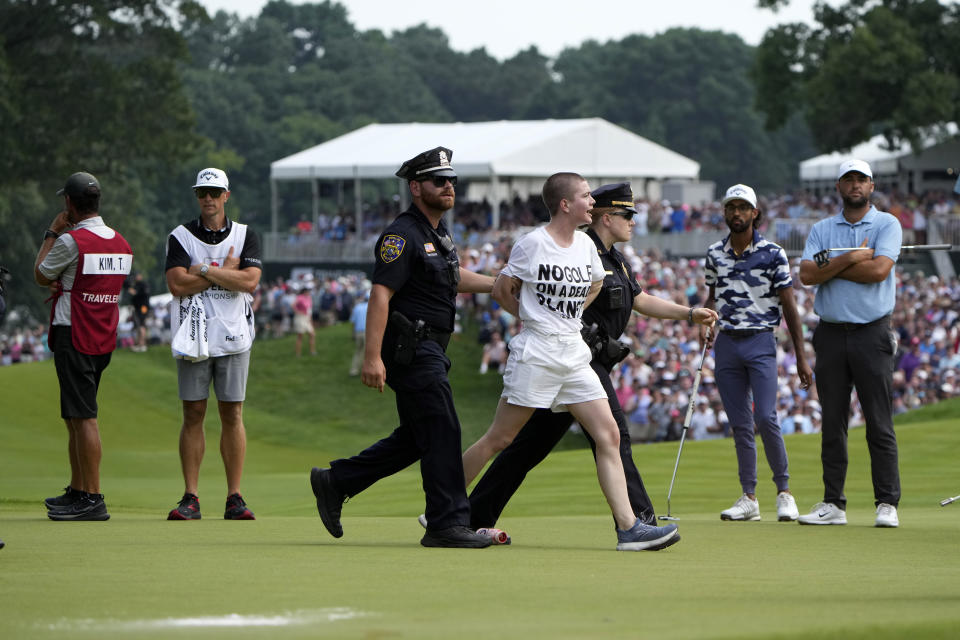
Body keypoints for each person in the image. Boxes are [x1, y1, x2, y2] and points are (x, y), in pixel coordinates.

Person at [466, 182, 716, 544]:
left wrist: (689, 313)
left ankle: (631, 526)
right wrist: (538, 318)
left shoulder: (604, 255)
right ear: (605, 216)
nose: (633, 221)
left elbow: (634, 298)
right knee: (513, 440)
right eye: (627, 215)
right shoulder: (545, 244)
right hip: (555, 354)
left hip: (577, 359)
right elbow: (507, 289)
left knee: (579, 440)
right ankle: (448, 509)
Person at [309, 147, 497, 548]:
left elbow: (453, 277)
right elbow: (380, 295)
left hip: (430, 348)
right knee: (444, 427)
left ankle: (336, 481)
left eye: (451, 180)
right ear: (416, 187)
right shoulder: (402, 234)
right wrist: (372, 356)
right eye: (438, 180)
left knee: (417, 436)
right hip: (410, 347)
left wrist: (496, 283)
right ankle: (446, 524)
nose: (448, 187)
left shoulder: (437, 233)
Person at [797, 159, 902, 528]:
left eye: (862, 179)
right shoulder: (823, 228)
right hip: (830, 332)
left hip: (871, 332)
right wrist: (852, 255)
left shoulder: (887, 223)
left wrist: (833, 265)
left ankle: (887, 502)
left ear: (871, 186)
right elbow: (807, 275)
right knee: (832, 421)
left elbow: (878, 272)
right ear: (839, 187)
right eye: (848, 180)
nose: (855, 185)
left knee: (879, 421)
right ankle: (833, 503)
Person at [704, 183, 812, 523]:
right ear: (725, 213)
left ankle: (784, 491)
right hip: (727, 343)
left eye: (743, 207)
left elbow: (790, 308)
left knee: (766, 417)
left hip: (761, 342)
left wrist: (801, 356)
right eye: (731, 207)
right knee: (740, 425)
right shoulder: (714, 254)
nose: (736, 213)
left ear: (755, 213)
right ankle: (749, 498)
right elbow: (712, 295)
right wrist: (704, 321)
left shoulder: (774, 253)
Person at [165, 168, 262, 521]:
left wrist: (202, 271)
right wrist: (225, 272)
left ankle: (234, 496)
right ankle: (191, 496)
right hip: (193, 335)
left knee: (232, 413)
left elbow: (249, 281)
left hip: (234, 335)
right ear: (197, 195)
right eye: (202, 191)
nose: (208, 197)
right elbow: (177, 285)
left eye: (214, 191)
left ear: (226, 195)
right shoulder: (180, 236)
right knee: (193, 413)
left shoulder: (245, 235)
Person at [35, 172, 133, 521]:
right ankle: (79, 489)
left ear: (69, 204)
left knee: (84, 417)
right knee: (75, 417)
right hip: (102, 336)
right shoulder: (122, 243)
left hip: (73, 334)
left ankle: (92, 497)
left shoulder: (71, 241)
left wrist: (51, 232)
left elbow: (41, 274)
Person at [127, 272, 150, 352]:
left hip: (143, 307)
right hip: (138, 308)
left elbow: (142, 294)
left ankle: (142, 344)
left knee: (141, 325)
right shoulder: (136, 285)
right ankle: (139, 344)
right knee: (139, 326)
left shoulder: (142, 285)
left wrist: (134, 292)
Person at [348, 290, 368, 376]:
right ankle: (366, 372)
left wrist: (353, 333)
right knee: (367, 354)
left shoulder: (358, 307)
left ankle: (353, 370)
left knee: (358, 352)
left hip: (358, 332)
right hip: (368, 333)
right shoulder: (373, 307)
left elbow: (353, 321)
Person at [292, 284, 316, 357]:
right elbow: (293, 305)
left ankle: (312, 351)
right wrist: (298, 311)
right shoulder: (300, 297)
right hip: (300, 317)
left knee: (312, 334)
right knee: (300, 336)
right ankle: (298, 353)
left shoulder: (309, 298)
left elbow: (309, 309)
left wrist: (310, 319)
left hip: (307, 317)